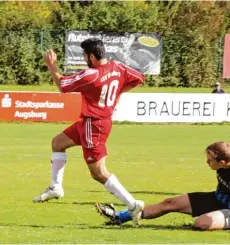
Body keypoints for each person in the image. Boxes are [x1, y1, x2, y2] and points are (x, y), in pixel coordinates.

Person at [33, 38, 145, 227]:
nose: (84, 58)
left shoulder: (90, 75)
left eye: (84, 55)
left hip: (93, 126)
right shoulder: (118, 67)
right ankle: (55, 187)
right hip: (94, 122)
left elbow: (63, 86)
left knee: (98, 173)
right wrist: (117, 91)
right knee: (58, 143)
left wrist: (52, 66)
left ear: (92, 56)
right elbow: (140, 78)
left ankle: (132, 204)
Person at [96, 141, 230, 230]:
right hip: (217, 199)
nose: (207, 162)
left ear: (223, 162)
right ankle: (119, 217)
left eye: (210, 160)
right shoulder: (223, 163)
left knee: (202, 223)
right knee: (170, 202)